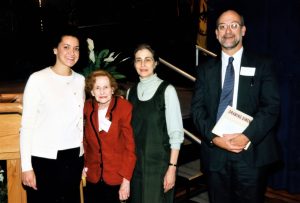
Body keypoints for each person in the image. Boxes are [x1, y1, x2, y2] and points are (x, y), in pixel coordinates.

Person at [191, 9, 280, 203]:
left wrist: (246, 136)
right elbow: (197, 111)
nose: (228, 31)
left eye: (233, 25)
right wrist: (214, 138)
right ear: (216, 33)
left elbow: (271, 107)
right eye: (222, 26)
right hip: (215, 155)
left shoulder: (262, 64)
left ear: (243, 30)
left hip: (251, 154)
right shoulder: (205, 70)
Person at [20, 27, 85, 203]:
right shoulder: (37, 79)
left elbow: (81, 122)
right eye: (66, 47)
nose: (72, 52)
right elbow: (26, 126)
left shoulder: (81, 80)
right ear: (55, 49)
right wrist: (26, 166)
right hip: (44, 161)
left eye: (76, 48)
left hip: (74, 159)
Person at [127, 43, 184, 203]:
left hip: (159, 167)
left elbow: (176, 134)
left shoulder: (167, 90)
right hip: (136, 167)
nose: (143, 64)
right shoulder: (130, 92)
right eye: (138, 60)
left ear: (156, 63)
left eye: (148, 59)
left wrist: (172, 168)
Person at [83, 70, 136, 203]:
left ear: (112, 89)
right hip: (93, 177)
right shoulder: (87, 108)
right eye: (97, 88)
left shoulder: (124, 108)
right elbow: (85, 141)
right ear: (92, 92)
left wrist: (126, 181)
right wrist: (83, 166)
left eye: (106, 87)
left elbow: (130, 148)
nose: (102, 92)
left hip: (116, 178)